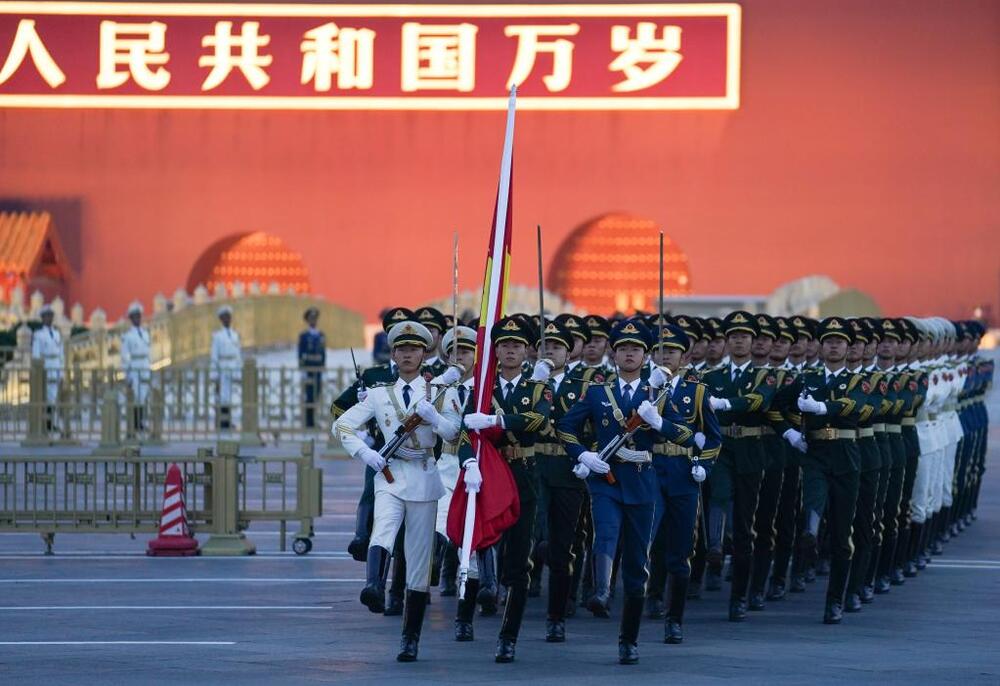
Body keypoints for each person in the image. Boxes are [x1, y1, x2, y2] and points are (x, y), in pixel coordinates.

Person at [559, 318, 696, 665]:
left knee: (638, 563)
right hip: (606, 480)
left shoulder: (659, 394)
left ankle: (628, 639)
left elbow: (686, 436)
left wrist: (658, 421)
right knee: (604, 531)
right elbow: (566, 426)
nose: (629, 354)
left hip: (643, 480)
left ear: (646, 355)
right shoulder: (597, 392)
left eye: (636, 349)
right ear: (613, 354)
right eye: (623, 349)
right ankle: (601, 591)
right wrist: (583, 454)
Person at [334, 320, 462, 662]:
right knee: (383, 528)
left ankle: (410, 638)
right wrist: (365, 452)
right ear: (393, 354)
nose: (407, 354)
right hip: (390, 475)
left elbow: (453, 435)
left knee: (419, 563)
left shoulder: (440, 392)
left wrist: (434, 417)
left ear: (425, 354)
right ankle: (373, 585)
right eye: (401, 349)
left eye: (414, 349)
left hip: (424, 474)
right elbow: (342, 424)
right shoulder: (378, 394)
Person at [457, 315, 551, 663]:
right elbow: (468, 429)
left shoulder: (539, 388)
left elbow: (540, 421)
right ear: (495, 350)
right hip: (488, 475)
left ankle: (508, 636)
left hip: (524, 475)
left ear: (527, 350)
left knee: (518, 561)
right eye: (503, 345)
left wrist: (499, 421)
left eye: (516, 345)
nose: (510, 350)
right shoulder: (481, 390)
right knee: (479, 544)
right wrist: (468, 463)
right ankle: (465, 615)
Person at [789, 316, 869, 624]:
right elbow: (776, 404)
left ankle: (835, 599)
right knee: (813, 494)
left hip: (846, 456)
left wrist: (823, 408)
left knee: (841, 533)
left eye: (840, 342)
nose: (834, 346)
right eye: (829, 341)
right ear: (821, 347)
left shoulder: (859, 380)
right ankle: (810, 531)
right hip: (816, 452)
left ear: (848, 348)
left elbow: (859, 406)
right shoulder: (808, 378)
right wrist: (789, 431)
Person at [700, 311, 779, 621]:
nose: (738, 341)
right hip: (720, 447)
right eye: (733, 336)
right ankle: (716, 547)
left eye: (744, 336)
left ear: (752, 341)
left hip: (751, 451)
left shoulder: (765, 375)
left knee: (747, 525)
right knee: (718, 494)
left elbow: (758, 400)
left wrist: (726, 404)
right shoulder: (712, 376)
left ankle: (740, 596)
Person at [645, 323, 721, 644]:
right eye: (660, 351)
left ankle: (674, 618)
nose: (665, 356)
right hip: (650, 468)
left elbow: (713, 437)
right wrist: (649, 389)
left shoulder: (697, 389)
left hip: (682, 472)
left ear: (684, 356)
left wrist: (704, 463)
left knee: (680, 548)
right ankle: (650, 595)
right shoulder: (643, 386)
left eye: (672, 351)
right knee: (650, 539)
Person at [532, 319, 590, 643]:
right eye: (544, 346)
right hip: (535, 466)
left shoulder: (582, 384)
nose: (549, 350)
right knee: (539, 535)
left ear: (568, 354)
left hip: (568, 469)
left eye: (556, 347)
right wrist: (536, 384)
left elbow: (579, 419)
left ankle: (556, 616)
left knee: (563, 547)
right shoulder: (529, 382)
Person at [31, 303, 63, 433]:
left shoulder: (57, 334)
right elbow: (36, 354)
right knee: (47, 397)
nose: (49, 318)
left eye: (51, 316)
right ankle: (47, 423)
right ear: (42, 318)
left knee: (55, 397)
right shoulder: (38, 334)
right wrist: (38, 371)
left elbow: (61, 354)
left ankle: (53, 423)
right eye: (46, 316)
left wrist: (62, 373)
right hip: (45, 367)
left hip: (56, 365)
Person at [120, 301, 152, 436]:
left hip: (144, 366)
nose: (137, 319)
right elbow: (125, 356)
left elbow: (149, 351)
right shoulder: (128, 336)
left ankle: (141, 422)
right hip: (134, 367)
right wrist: (127, 373)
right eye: (135, 316)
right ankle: (135, 423)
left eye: (139, 316)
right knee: (136, 396)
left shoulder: (145, 333)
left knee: (144, 396)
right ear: (131, 318)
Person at [210, 305, 242, 430]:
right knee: (222, 396)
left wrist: (239, 371)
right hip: (222, 367)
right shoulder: (217, 336)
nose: (227, 319)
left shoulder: (235, 335)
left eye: (228, 317)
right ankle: (222, 422)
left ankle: (228, 420)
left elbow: (238, 354)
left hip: (232, 366)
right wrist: (214, 374)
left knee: (229, 397)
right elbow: (214, 356)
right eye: (224, 317)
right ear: (221, 319)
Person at [298, 307, 326, 429]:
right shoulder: (304, 336)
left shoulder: (321, 335)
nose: (313, 321)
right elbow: (300, 353)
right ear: (307, 320)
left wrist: (323, 367)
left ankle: (314, 419)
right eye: (311, 319)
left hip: (318, 370)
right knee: (309, 396)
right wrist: (302, 368)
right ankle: (309, 422)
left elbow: (323, 353)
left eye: (315, 318)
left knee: (316, 395)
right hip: (309, 369)